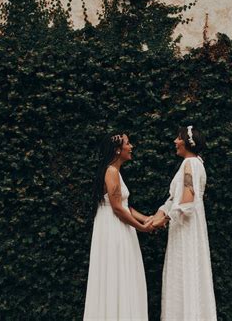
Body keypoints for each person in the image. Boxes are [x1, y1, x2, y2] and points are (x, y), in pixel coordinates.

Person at [146, 125, 217, 321]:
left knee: (186, 273)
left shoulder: (191, 164)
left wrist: (166, 218)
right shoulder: (191, 163)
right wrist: (158, 214)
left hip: (187, 227)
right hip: (182, 226)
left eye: (178, 138)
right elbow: (173, 198)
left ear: (187, 142)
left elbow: (187, 199)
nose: (175, 142)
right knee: (182, 276)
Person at [84, 132, 151, 321]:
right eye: (128, 144)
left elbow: (126, 206)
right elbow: (117, 209)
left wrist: (147, 218)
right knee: (117, 272)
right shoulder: (111, 172)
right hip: (114, 228)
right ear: (117, 149)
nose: (131, 147)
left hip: (115, 226)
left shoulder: (114, 171)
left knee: (119, 274)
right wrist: (141, 227)